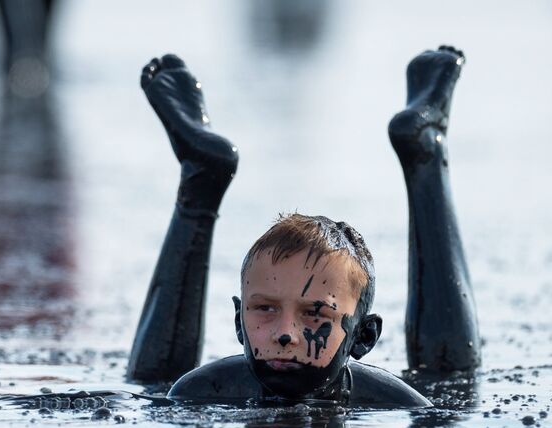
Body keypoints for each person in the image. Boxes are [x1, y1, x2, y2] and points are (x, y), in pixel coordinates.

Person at [126, 46, 480, 407]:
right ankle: (199, 183)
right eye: (264, 309)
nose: (285, 334)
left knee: (451, 389)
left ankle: (427, 155)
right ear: (238, 323)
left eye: (314, 313)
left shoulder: (400, 404)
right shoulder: (197, 392)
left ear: (364, 336)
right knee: (157, 391)